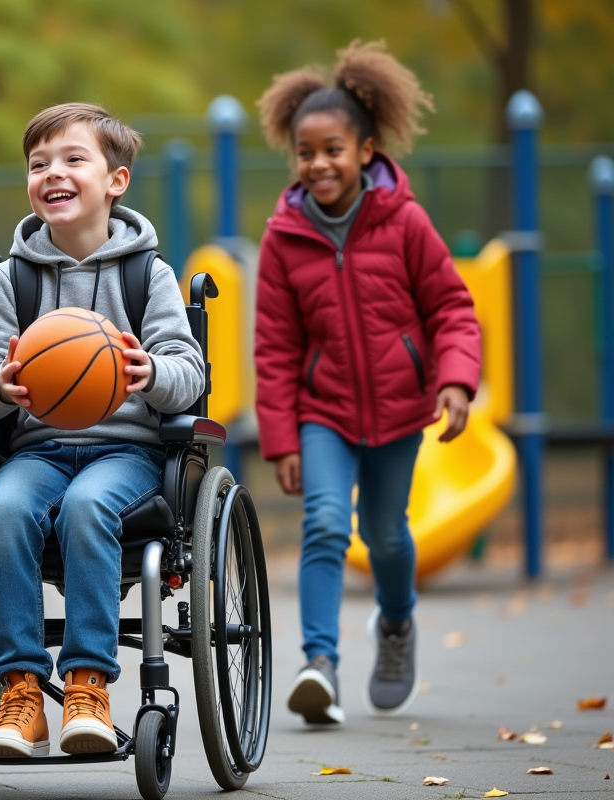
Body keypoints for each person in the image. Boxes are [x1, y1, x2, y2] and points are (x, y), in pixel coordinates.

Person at [0, 103, 205, 757]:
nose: (52, 173)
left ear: (115, 181)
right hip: (34, 450)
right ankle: (18, 695)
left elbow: (189, 376)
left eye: (72, 159)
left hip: (126, 450)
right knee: (4, 510)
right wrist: (0, 388)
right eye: (38, 164)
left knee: (89, 506)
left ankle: (88, 684)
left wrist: (150, 371)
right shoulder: (12, 277)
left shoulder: (145, 274)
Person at [253, 40, 482, 725]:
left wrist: (455, 382)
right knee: (324, 523)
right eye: (305, 152)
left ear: (367, 150)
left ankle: (397, 625)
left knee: (385, 536)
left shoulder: (404, 221)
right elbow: (274, 345)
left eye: (332, 149)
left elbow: (452, 307)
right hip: (323, 411)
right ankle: (318, 663)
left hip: (399, 407)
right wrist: (282, 438)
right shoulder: (284, 238)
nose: (318, 163)